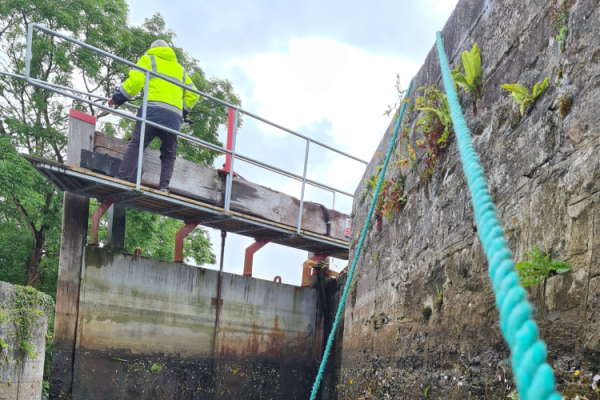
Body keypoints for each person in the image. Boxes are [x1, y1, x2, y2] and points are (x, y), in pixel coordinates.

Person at [109, 39, 199, 192]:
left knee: (137, 144)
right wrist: (182, 111)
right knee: (169, 154)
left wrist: (119, 97)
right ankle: (164, 187)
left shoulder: (149, 59)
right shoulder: (180, 70)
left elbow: (136, 81)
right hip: (173, 118)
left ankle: (122, 179)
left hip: (152, 111)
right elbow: (193, 94)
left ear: (153, 49)